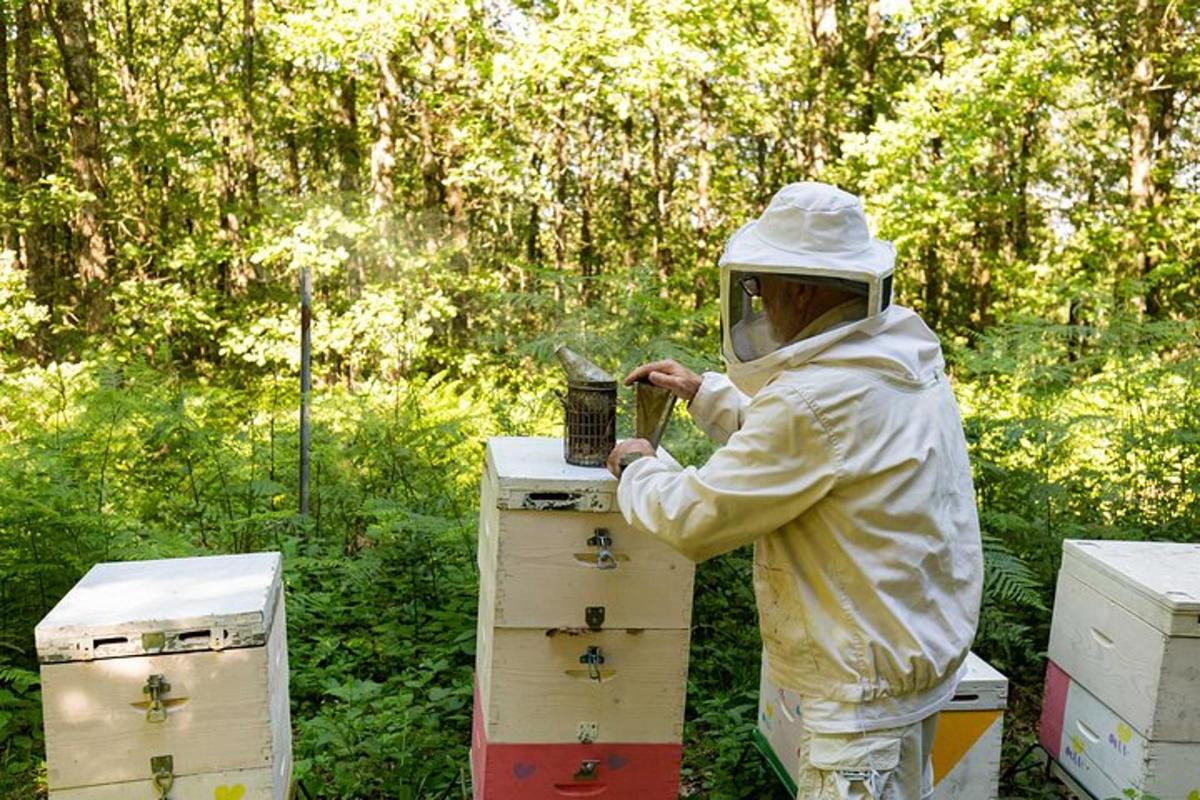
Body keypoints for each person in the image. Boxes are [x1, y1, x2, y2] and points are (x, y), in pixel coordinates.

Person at [607, 182, 983, 800]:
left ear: (802, 287)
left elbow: (696, 519)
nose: (759, 302)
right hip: (908, 667)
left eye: (762, 286)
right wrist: (705, 394)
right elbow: (823, 452)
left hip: (861, 703)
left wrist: (639, 465)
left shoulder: (818, 399)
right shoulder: (893, 355)